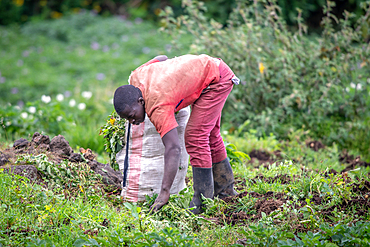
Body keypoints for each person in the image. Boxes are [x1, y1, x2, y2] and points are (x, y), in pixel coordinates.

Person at [113, 54, 239, 213]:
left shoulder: (157, 105)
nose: (132, 122)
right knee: (211, 135)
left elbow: (173, 148)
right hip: (211, 67)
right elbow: (162, 58)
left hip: (216, 80)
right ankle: (225, 191)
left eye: (132, 116)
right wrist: (175, 79)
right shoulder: (136, 76)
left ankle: (202, 203)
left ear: (140, 101)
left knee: (195, 137)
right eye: (127, 119)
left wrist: (164, 192)